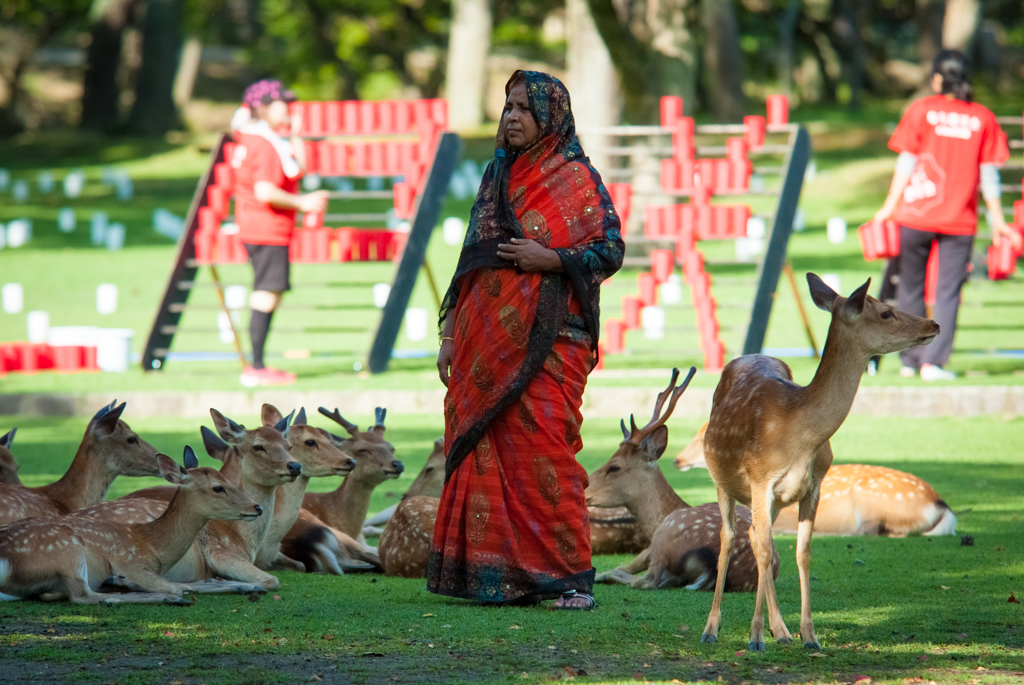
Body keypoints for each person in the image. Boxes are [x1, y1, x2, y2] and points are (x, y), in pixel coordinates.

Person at [429, 71, 624, 609]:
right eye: (507, 106)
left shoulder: (576, 177)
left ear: (550, 117)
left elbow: (610, 250)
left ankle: (566, 580)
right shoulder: (496, 174)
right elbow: (473, 257)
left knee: (547, 455)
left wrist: (552, 259)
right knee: (489, 451)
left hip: (556, 340)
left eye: (523, 108)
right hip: (483, 337)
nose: (511, 116)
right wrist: (450, 332)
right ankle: (500, 578)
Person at [874, 50, 1022, 381]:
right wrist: (997, 221)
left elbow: (906, 163)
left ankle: (910, 361)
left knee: (910, 289)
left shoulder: (922, 109)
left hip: (915, 215)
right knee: (948, 292)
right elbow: (989, 175)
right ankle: (934, 363)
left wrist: (889, 206)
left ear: (937, 79)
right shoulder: (983, 117)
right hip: (959, 220)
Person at [231, 79, 329, 387]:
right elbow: (264, 189)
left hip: (264, 227)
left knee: (269, 293)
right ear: (262, 107)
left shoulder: (263, 138)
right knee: (265, 294)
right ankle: (256, 367)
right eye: (281, 102)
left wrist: (297, 135)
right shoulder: (263, 143)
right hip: (266, 228)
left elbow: (297, 168)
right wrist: (302, 201)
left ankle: (257, 366)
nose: (288, 107)